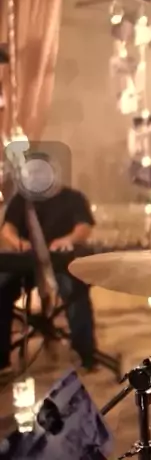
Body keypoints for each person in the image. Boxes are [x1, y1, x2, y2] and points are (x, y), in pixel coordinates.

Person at [0, 155, 98, 371]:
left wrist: (67, 240)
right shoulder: (22, 200)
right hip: (27, 262)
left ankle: (85, 354)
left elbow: (84, 226)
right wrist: (19, 243)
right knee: (2, 289)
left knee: (75, 293)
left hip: (62, 262)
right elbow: (8, 229)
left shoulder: (73, 198)